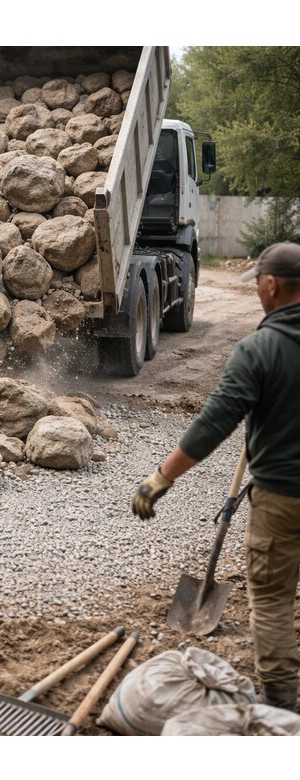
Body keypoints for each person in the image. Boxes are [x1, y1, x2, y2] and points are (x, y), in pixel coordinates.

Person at [132, 242, 300, 713]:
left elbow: (213, 424)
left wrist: (161, 478)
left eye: (258, 285)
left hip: (283, 499)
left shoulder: (259, 350)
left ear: (271, 285)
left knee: (272, 600)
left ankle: (281, 706)